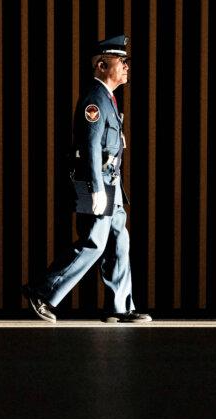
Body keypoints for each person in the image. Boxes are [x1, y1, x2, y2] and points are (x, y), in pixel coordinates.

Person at [21, 34, 152, 324]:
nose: (127, 67)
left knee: (120, 242)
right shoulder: (95, 99)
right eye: (123, 61)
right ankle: (43, 292)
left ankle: (120, 306)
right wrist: (96, 188)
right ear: (103, 65)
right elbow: (90, 146)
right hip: (98, 183)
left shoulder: (107, 98)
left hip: (111, 183)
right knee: (95, 241)